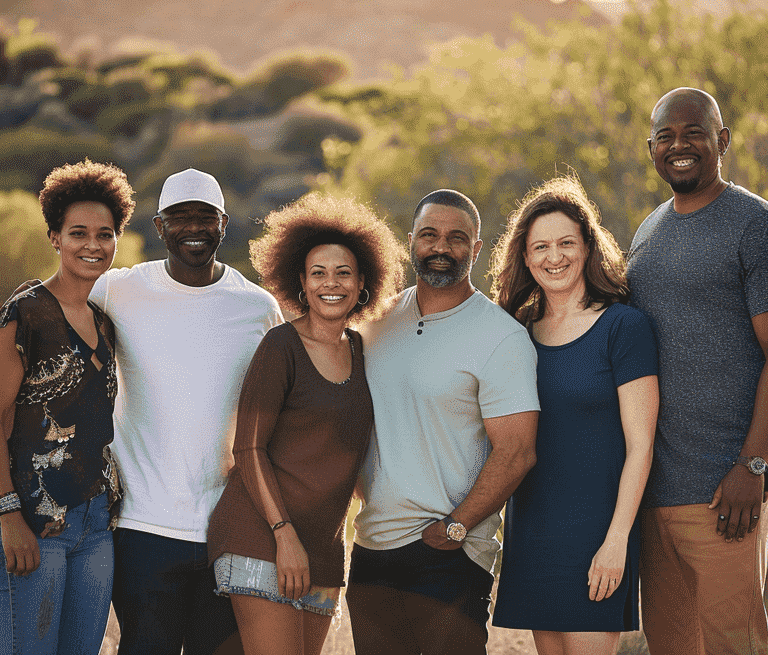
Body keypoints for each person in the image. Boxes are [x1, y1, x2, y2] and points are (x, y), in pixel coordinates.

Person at [88, 168, 283, 655]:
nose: (193, 227)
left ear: (223, 224)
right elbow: (50, 310)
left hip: (228, 530)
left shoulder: (257, 307)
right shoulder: (119, 289)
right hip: (141, 529)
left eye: (205, 217)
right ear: (158, 226)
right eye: (180, 217)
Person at [207, 191, 406, 655]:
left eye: (343, 273)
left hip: (324, 554)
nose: (330, 284)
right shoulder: (280, 348)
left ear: (363, 283)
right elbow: (248, 450)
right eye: (318, 273)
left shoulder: (361, 351)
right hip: (261, 542)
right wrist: (285, 536)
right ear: (300, 281)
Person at [345, 189, 540, 655]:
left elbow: (517, 451)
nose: (440, 247)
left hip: (449, 552)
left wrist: (458, 525)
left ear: (475, 250)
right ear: (411, 241)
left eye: (457, 238)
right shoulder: (376, 319)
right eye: (429, 235)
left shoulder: (501, 337)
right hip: (372, 548)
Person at [488, 175, 659, 655]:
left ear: (588, 246)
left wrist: (617, 540)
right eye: (540, 246)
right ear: (524, 257)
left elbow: (641, 444)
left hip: (598, 531)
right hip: (533, 529)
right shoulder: (516, 331)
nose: (553, 256)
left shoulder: (624, 327)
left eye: (566, 242)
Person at [627, 87, 768, 655]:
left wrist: (753, 465)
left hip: (722, 495)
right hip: (652, 494)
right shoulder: (647, 231)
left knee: (739, 646)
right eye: (666, 136)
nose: (679, 146)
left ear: (722, 141)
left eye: (694, 133)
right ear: (651, 148)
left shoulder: (752, 223)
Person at [0, 160, 135, 654]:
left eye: (105, 234)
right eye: (78, 233)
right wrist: (8, 516)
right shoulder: (25, 314)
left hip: (97, 524)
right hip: (34, 520)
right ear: (54, 237)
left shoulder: (104, 323)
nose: (92, 245)